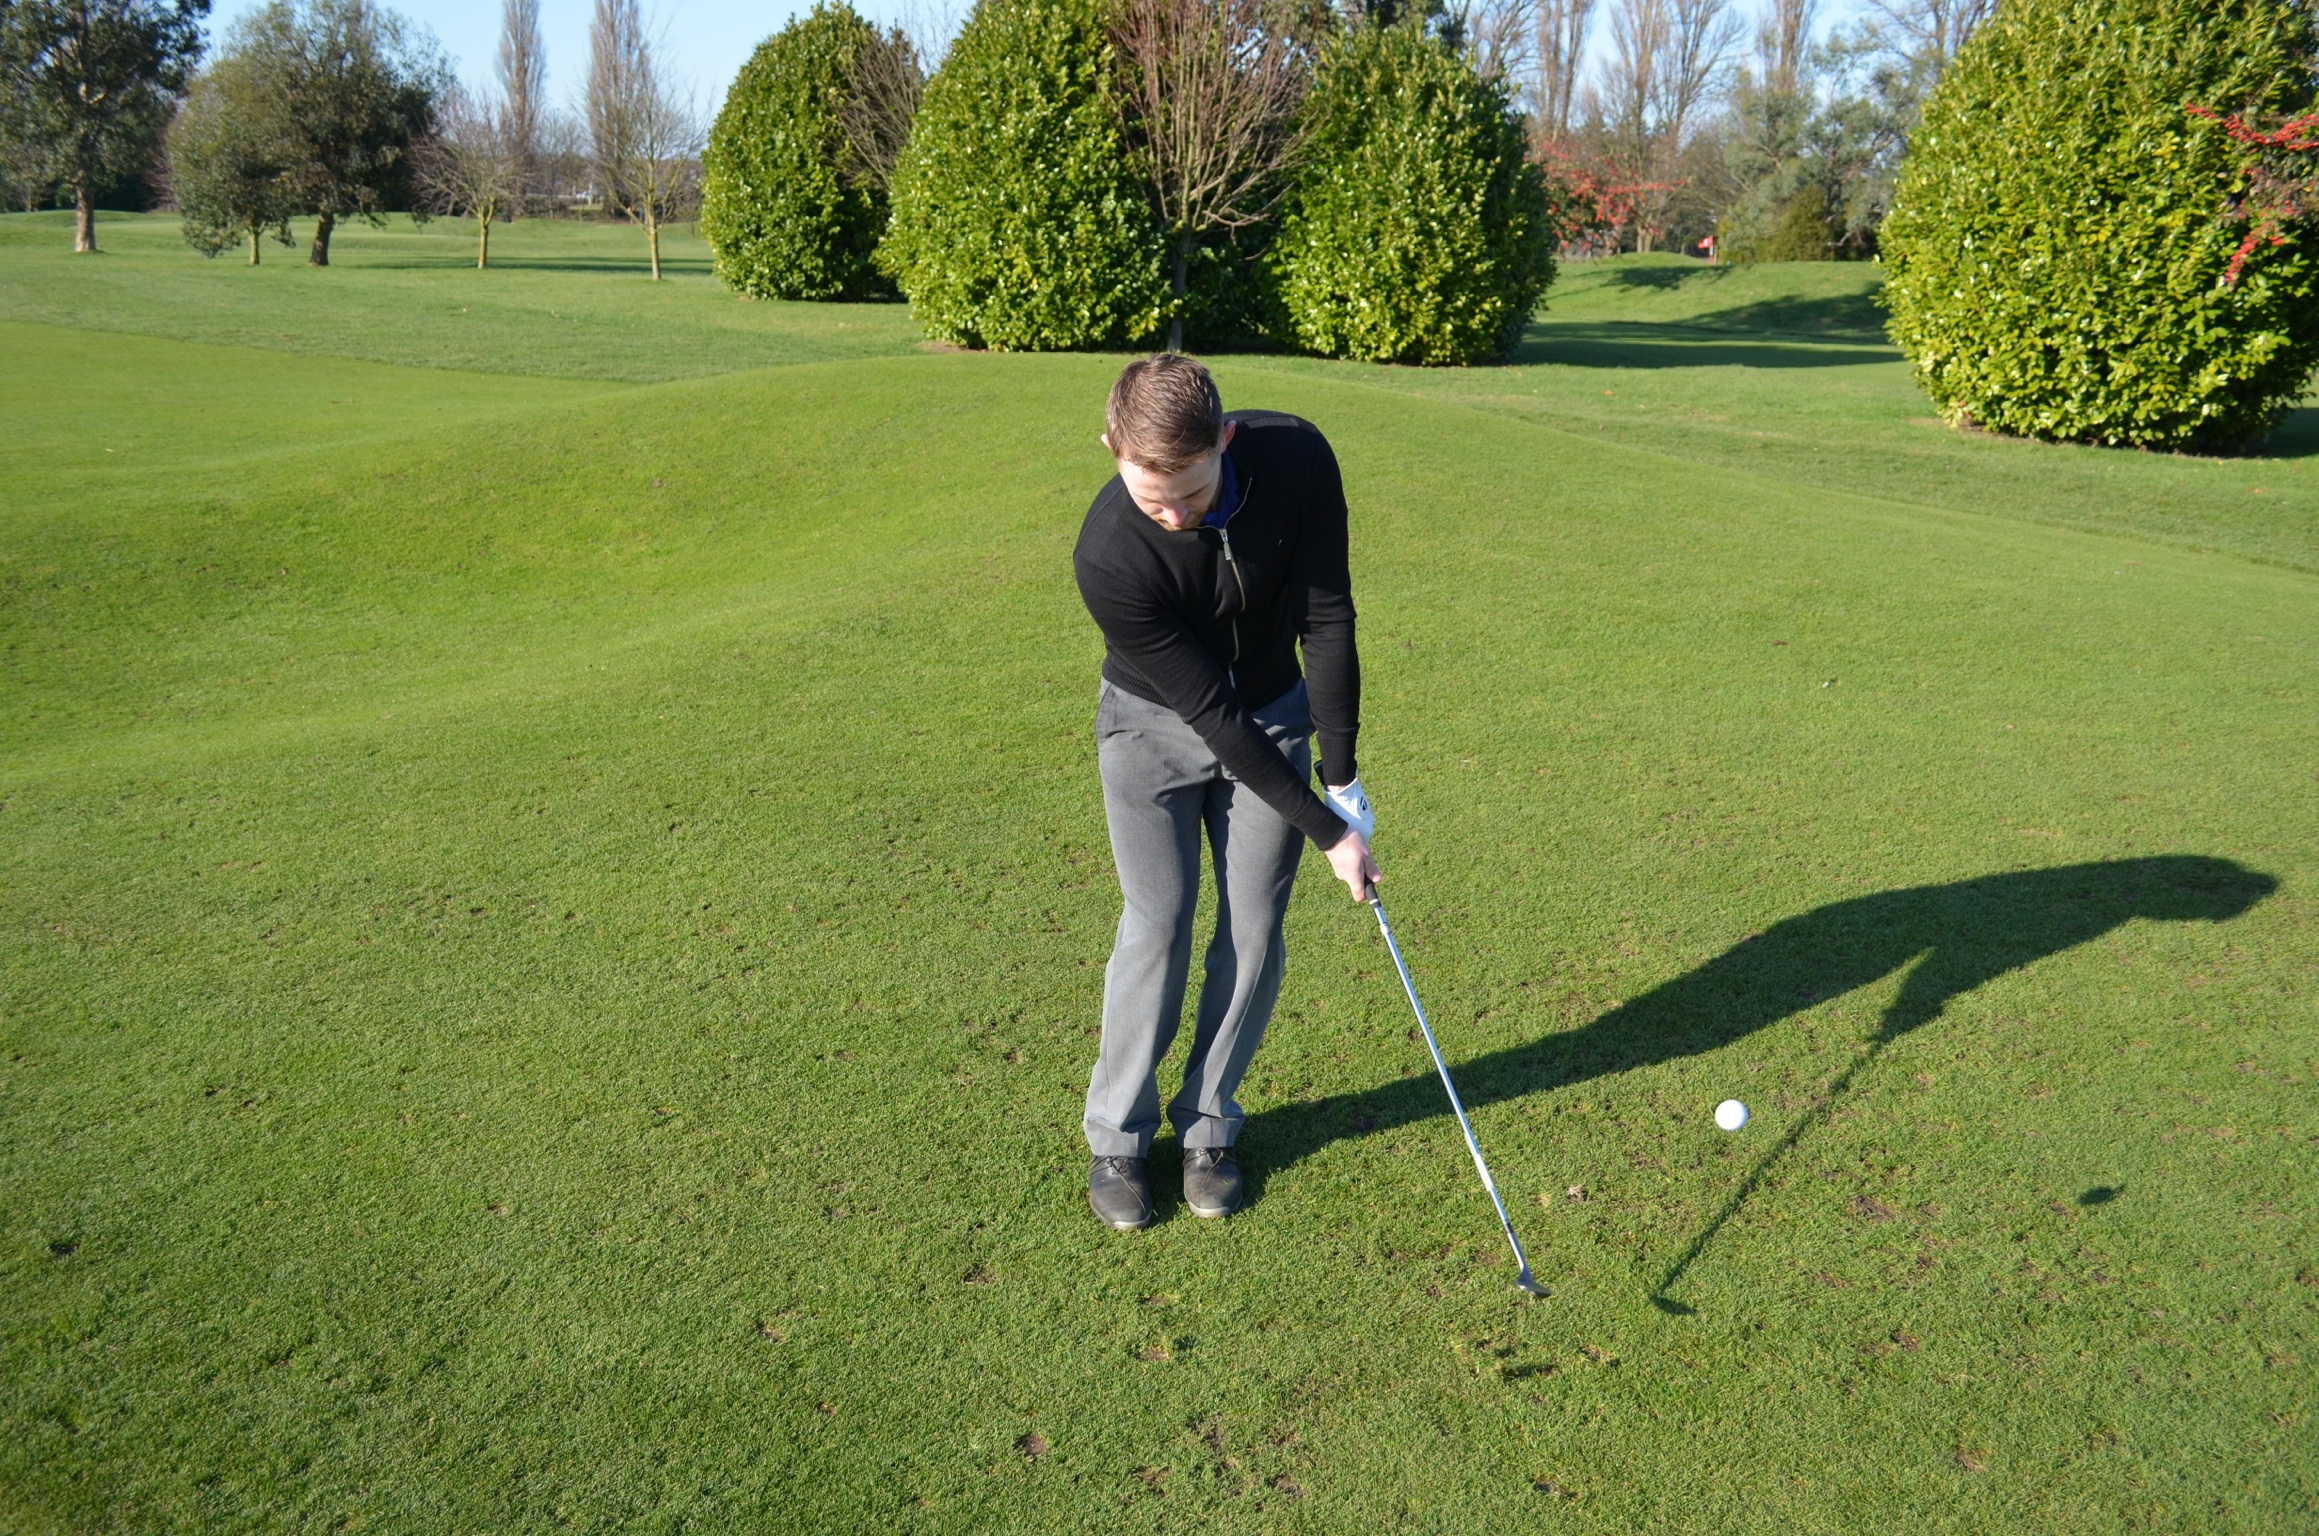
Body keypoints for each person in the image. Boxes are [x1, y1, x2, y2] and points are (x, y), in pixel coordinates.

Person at [1072, 354, 1379, 1232]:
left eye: (1193, 494)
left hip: (1272, 710)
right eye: (1149, 496)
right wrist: (1327, 830)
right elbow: (1209, 713)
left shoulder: (1296, 460)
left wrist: (1343, 775)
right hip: (1152, 725)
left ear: (1226, 442)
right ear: (1110, 450)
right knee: (1157, 923)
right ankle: (1118, 1139)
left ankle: (1209, 1127)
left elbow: (1327, 618)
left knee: (1253, 928)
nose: (1172, 515)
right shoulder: (1108, 557)